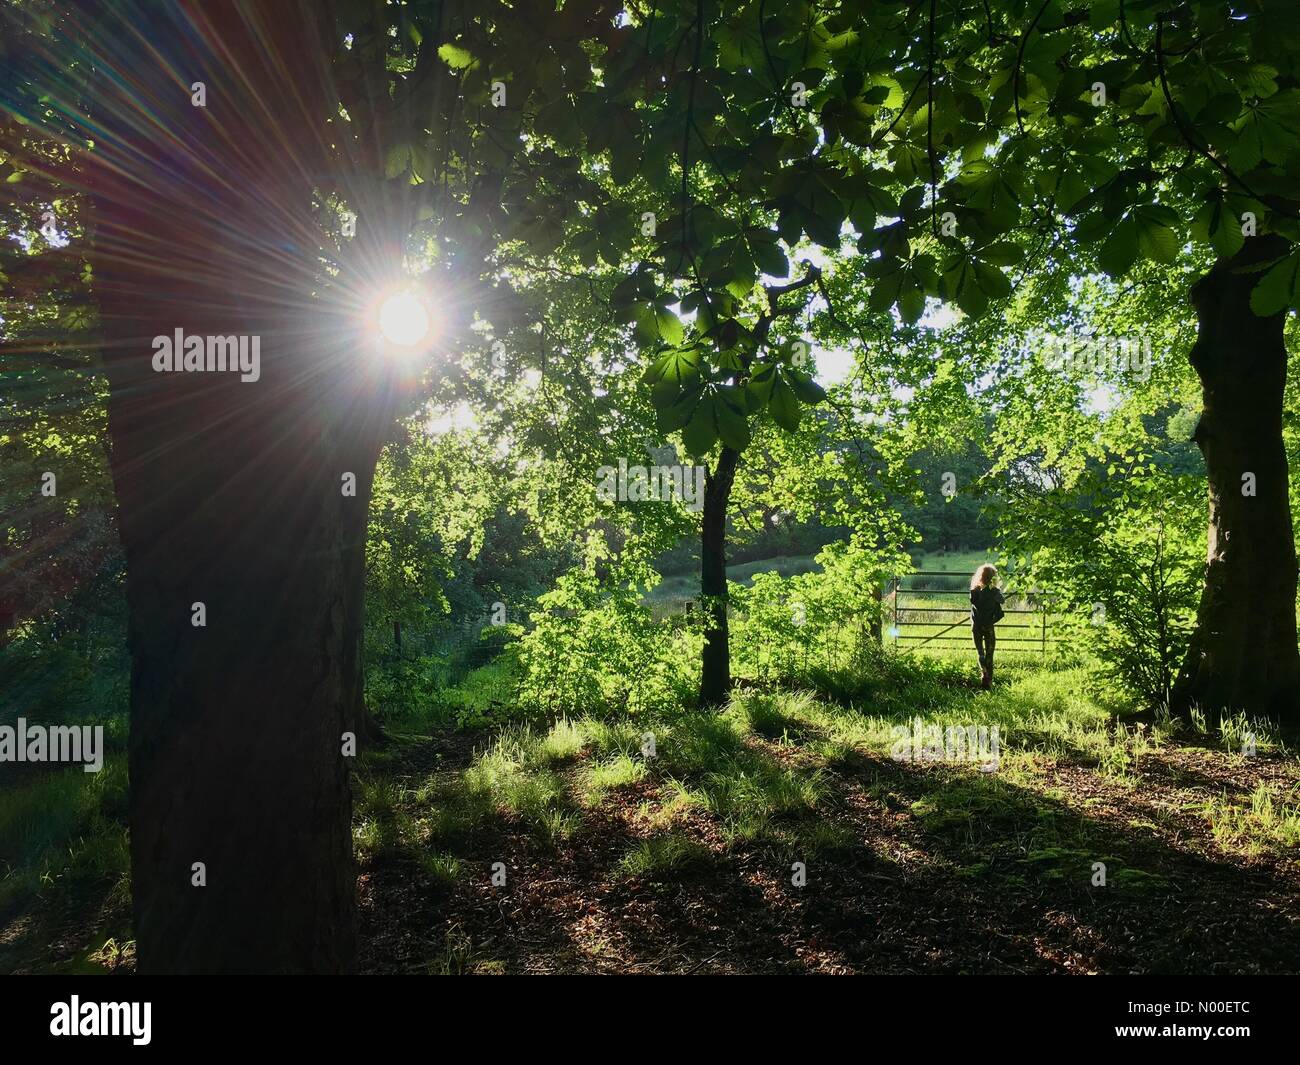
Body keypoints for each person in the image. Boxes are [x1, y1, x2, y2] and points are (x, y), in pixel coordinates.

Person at [969, 564, 1005, 690]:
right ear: (993, 578)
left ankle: (983, 672)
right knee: (990, 654)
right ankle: (989, 682)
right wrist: (995, 588)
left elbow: (974, 601)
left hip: (976, 626)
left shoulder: (974, 591)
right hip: (988, 626)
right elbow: (1002, 601)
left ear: (980, 576)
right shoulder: (995, 592)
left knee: (980, 653)